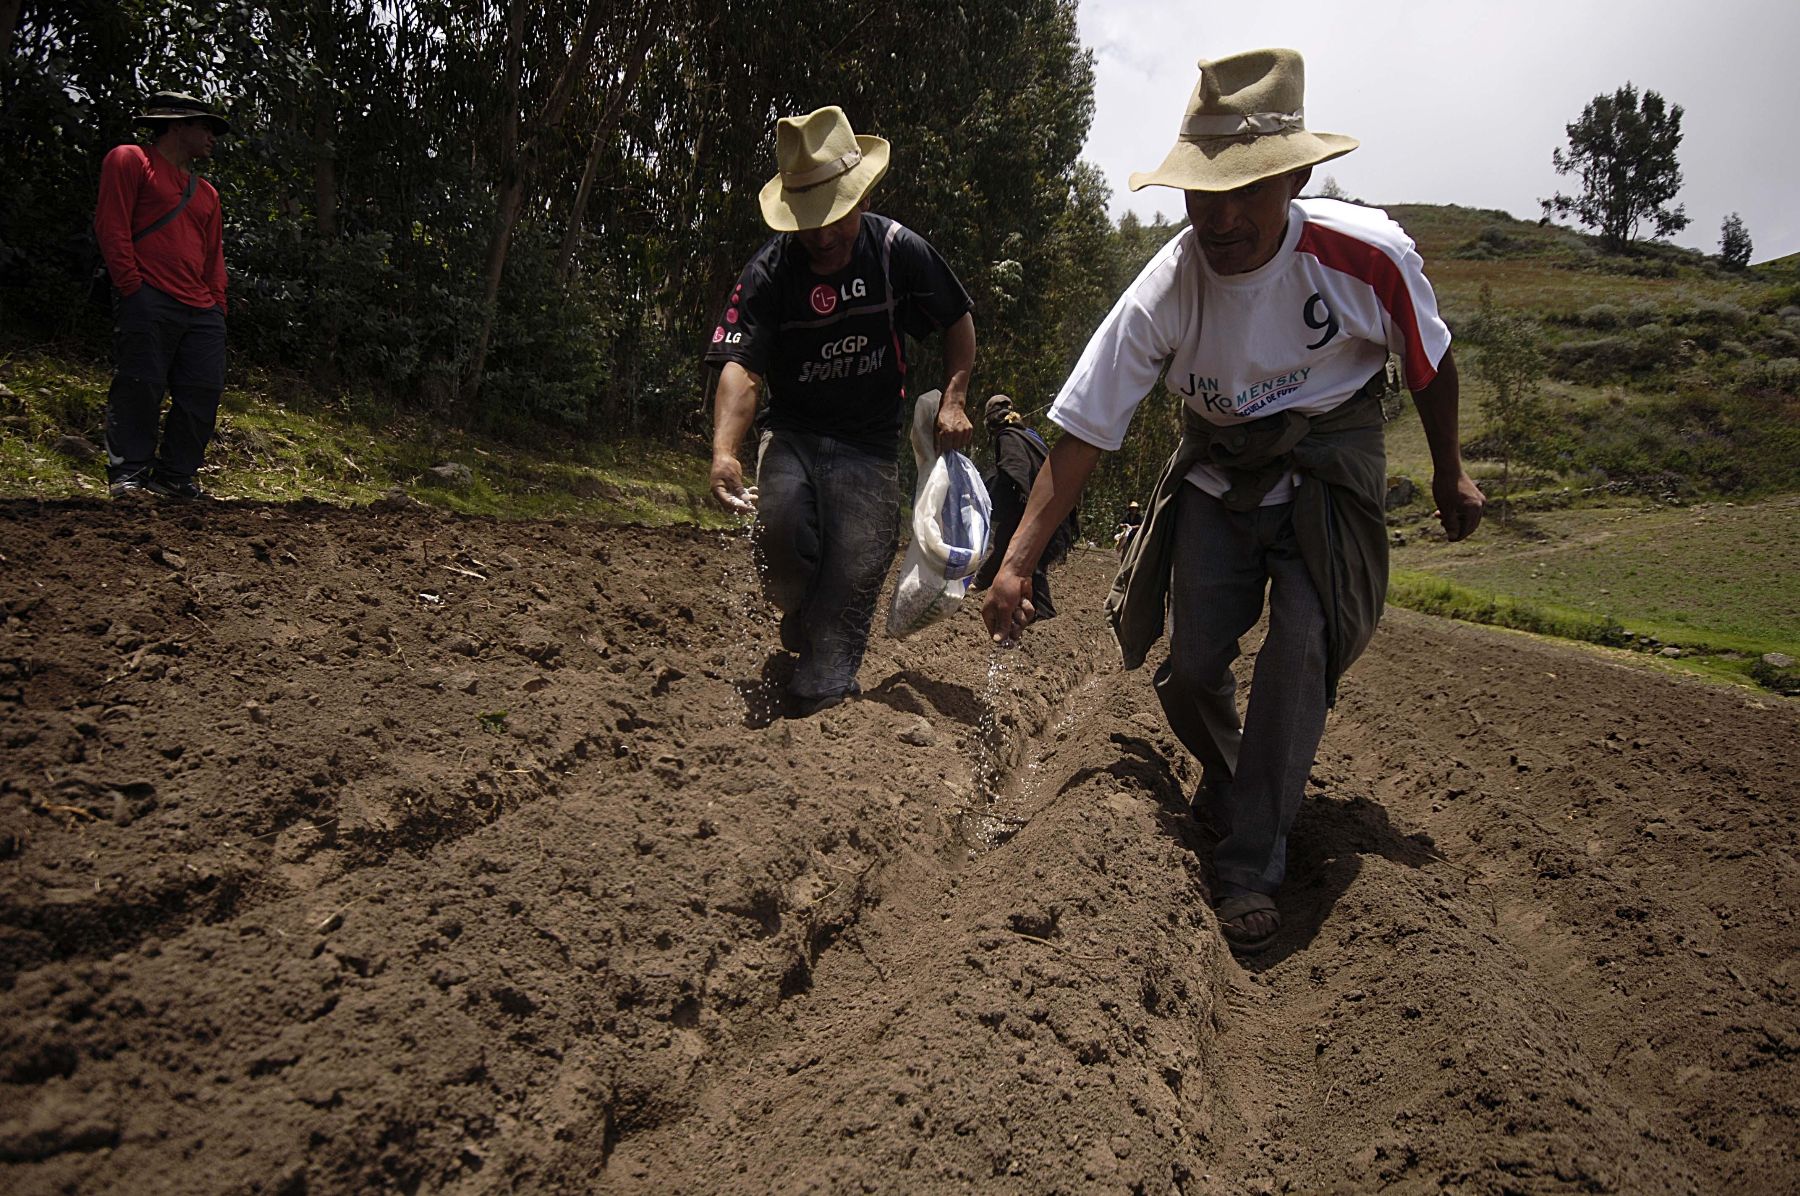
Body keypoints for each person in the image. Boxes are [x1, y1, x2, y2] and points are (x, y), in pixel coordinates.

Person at [980, 48, 1484, 955]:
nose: (1219, 218)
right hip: (1217, 466)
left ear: (1295, 179)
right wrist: (1016, 562)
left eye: (1245, 191)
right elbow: (1085, 433)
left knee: (1302, 641)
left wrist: (1450, 471)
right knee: (1188, 668)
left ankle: (1252, 859)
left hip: (1329, 463)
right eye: (1202, 193)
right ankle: (1243, 779)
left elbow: (1430, 364)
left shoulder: (1368, 258)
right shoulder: (1167, 288)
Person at [706, 105, 976, 716]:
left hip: (869, 443)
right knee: (778, 536)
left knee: (853, 574)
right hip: (794, 433)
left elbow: (957, 320)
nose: (823, 236)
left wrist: (955, 398)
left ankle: (824, 681)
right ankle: (802, 613)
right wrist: (724, 451)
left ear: (862, 198)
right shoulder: (770, 272)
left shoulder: (897, 250)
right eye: (810, 222)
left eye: (836, 218)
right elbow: (743, 368)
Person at [94, 90, 233, 501]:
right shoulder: (130, 160)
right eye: (205, 127)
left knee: (203, 391)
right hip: (149, 294)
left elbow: (213, 256)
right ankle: (130, 475)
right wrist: (131, 285)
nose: (212, 137)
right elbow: (112, 225)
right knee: (140, 384)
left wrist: (217, 305)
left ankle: (175, 476)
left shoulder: (206, 193)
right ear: (177, 126)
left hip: (201, 308)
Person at [973, 394, 1074, 619]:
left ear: (990, 424)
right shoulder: (1030, 436)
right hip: (1054, 510)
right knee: (1009, 546)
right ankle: (982, 583)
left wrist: (1015, 503)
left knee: (1028, 561)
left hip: (1036, 510)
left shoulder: (1006, 437)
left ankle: (1044, 616)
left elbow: (1015, 469)